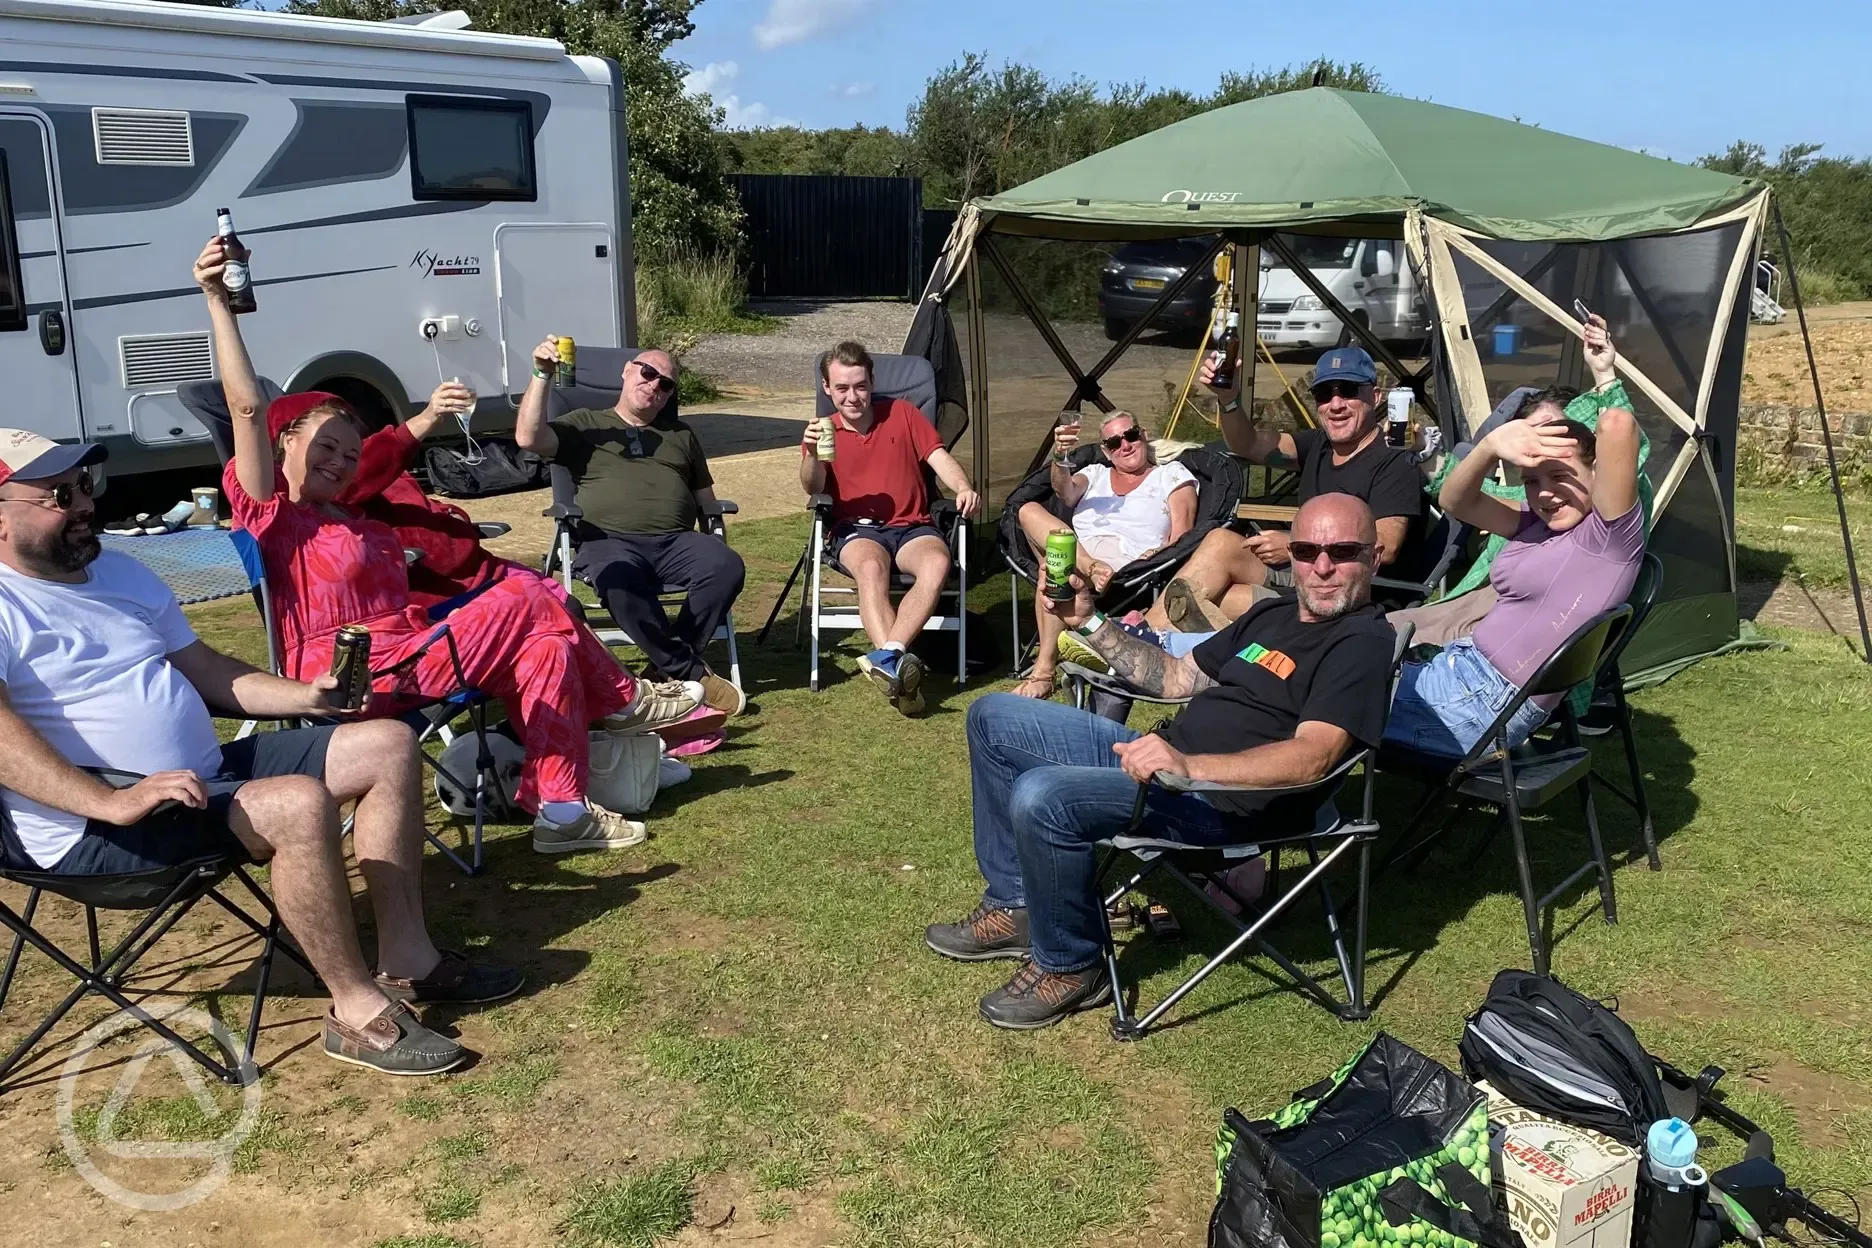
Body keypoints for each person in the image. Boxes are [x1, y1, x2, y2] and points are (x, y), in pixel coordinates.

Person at [0, 429, 519, 1076]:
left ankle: (409, 960)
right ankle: (355, 1013)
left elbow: (204, 669)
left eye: (85, 486)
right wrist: (107, 799)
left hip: (195, 782)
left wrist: (307, 696)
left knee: (387, 743)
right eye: (57, 494)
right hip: (97, 826)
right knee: (297, 805)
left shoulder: (119, 571)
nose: (82, 504)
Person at [199, 238, 698, 857]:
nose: (340, 461)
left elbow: (394, 504)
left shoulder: (351, 513)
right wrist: (219, 301)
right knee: (529, 594)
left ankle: (564, 812)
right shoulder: (273, 513)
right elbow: (246, 408)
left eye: (350, 453)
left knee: (544, 643)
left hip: (412, 651)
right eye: (325, 446)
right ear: (283, 446)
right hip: (347, 674)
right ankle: (622, 698)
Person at [925, 494, 1395, 1029]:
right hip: (1164, 762)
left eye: (1343, 551)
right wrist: (1090, 621)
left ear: (1374, 557)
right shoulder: (1272, 614)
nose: (1324, 566)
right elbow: (1172, 678)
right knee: (992, 715)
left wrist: (1192, 768)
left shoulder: (1361, 644)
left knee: (1043, 796)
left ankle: (1074, 967)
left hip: (1222, 805)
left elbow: (1314, 758)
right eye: (1308, 550)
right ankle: (1015, 906)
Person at [1384, 315, 1644, 758]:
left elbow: (1619, 427)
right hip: (1456, 673)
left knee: (1304, 684)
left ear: (1598, 472)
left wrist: (1603, 374)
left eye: (1559, 475)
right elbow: (1455, 500)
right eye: (1530, 480)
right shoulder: (1534, 524)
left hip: (1480, 707)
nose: (1544, 493)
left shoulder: (1610, 538)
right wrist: (1489, 446)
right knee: (1309, 661)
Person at [513, 339, 747, 721]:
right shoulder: (585, 423)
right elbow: (528, 438)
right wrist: (542, 373)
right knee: (618, 580)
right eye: (648, 372)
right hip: (608, 541)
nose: (655, 385)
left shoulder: (681, 435)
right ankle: (688, 671)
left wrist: (713, 530)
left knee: (725, 566)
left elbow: (706, 498)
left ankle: (664, 670)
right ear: (626, 371)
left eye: (666, 384)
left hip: (676, 542)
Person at [1144, 344, 1425, 632]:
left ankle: (1139, 641)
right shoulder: (1318, 445)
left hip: (1354, 594)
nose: (1336, 404)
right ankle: (1148, 639)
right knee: (1218, 548)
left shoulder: (1395, 456)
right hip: (1308, 576)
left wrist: (1294, 546)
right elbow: (1247, 444)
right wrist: (1229, 400)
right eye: (1324, 394)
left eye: (1349, 390)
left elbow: (1386, 547)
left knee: (1213, 596)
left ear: (1375, 397)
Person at [799, 340, 982, 714]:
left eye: (860, 386)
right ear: (827, 388)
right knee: (871, 568)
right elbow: (813, 488)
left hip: (912, 525)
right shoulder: (822, 431)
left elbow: (939, 458)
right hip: (855, 529)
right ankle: (901, 680)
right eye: (842, 388)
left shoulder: (902, 413)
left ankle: (889, 657)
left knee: (936, 564)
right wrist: (813, 454)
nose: (853, 397)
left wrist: (963, 487)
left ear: (872, 382)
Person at [1011, 411, 1196, 699]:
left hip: (1126, 566)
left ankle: (1043, 673)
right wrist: (1060, 455)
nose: (1125, 445)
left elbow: (1184, 536)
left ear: (1143, 434)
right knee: (1027, 511)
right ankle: (1088, 566)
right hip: (1081, 557)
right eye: (1113, 442)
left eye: (1131, 435)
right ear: (1106, 451)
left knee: (1055, 567)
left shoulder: (1169, 475)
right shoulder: (1096, 473)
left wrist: (1157, 553)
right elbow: (1064, 491)